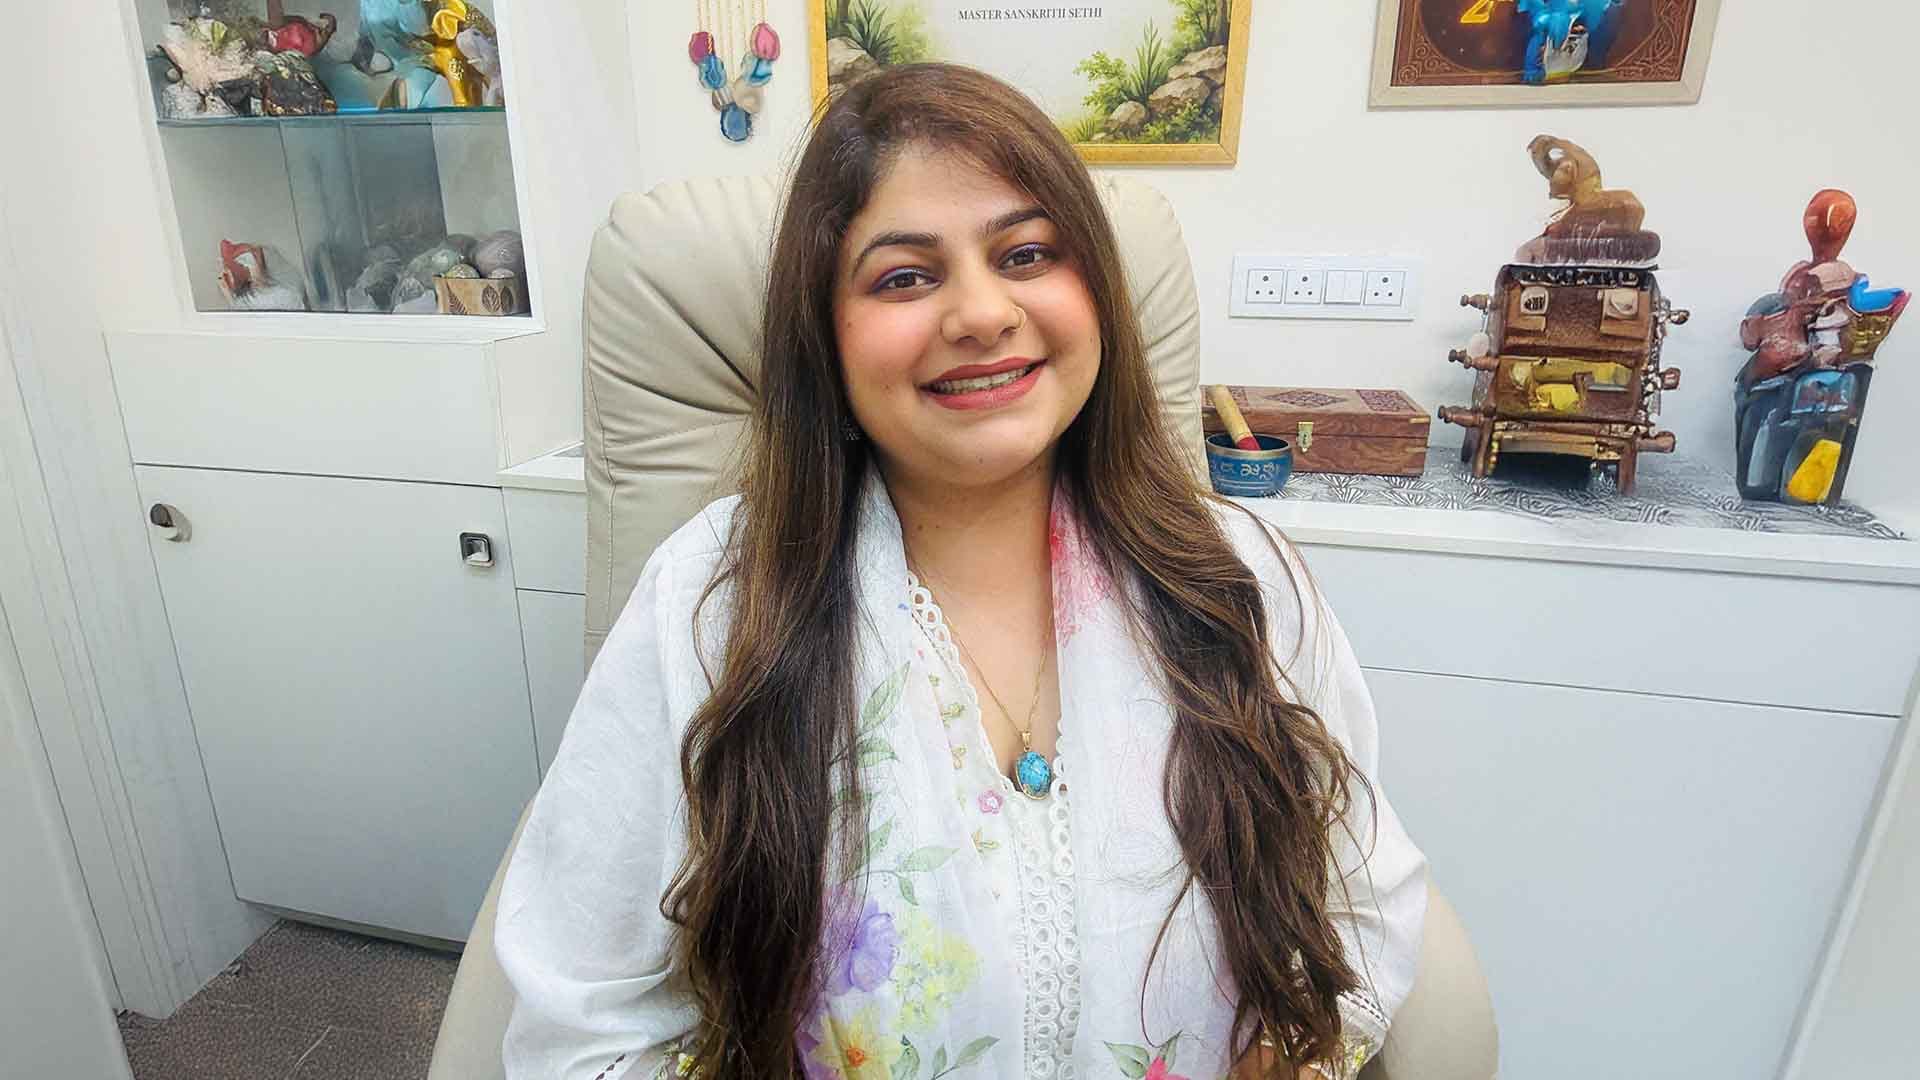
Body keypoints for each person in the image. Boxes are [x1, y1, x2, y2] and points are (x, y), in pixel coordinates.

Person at [495, 63, 1426, 1080]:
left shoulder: (1237, 578)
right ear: (826, 336)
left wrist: (1301, 1056)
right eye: (904, 277)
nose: (982, 313)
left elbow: (1358, 898)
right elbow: (583, 1024)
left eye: (1027, 253)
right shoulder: (713, 603)